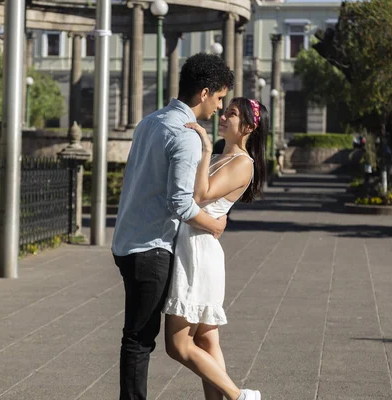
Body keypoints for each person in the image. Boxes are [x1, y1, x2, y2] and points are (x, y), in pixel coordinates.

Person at [111, 52, 235, 400]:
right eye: (220, 98)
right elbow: (180, 203)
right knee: (138, 341)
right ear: (205, 92)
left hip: (126, 242)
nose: (219, 108)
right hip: (151, 247)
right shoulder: (185, 135)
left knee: (138, 338)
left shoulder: (150, 122)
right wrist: (213, 225)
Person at [162, 97, 269, 400]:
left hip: (198, 251)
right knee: (208, 340)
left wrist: (206, 147)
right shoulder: (225, 156)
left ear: (248, 126)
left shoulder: (242, 163)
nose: (223, 116)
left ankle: (239, 397)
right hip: (195, 243)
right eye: (225, 111)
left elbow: (200, 193)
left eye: (232, 114)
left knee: (178, 345)